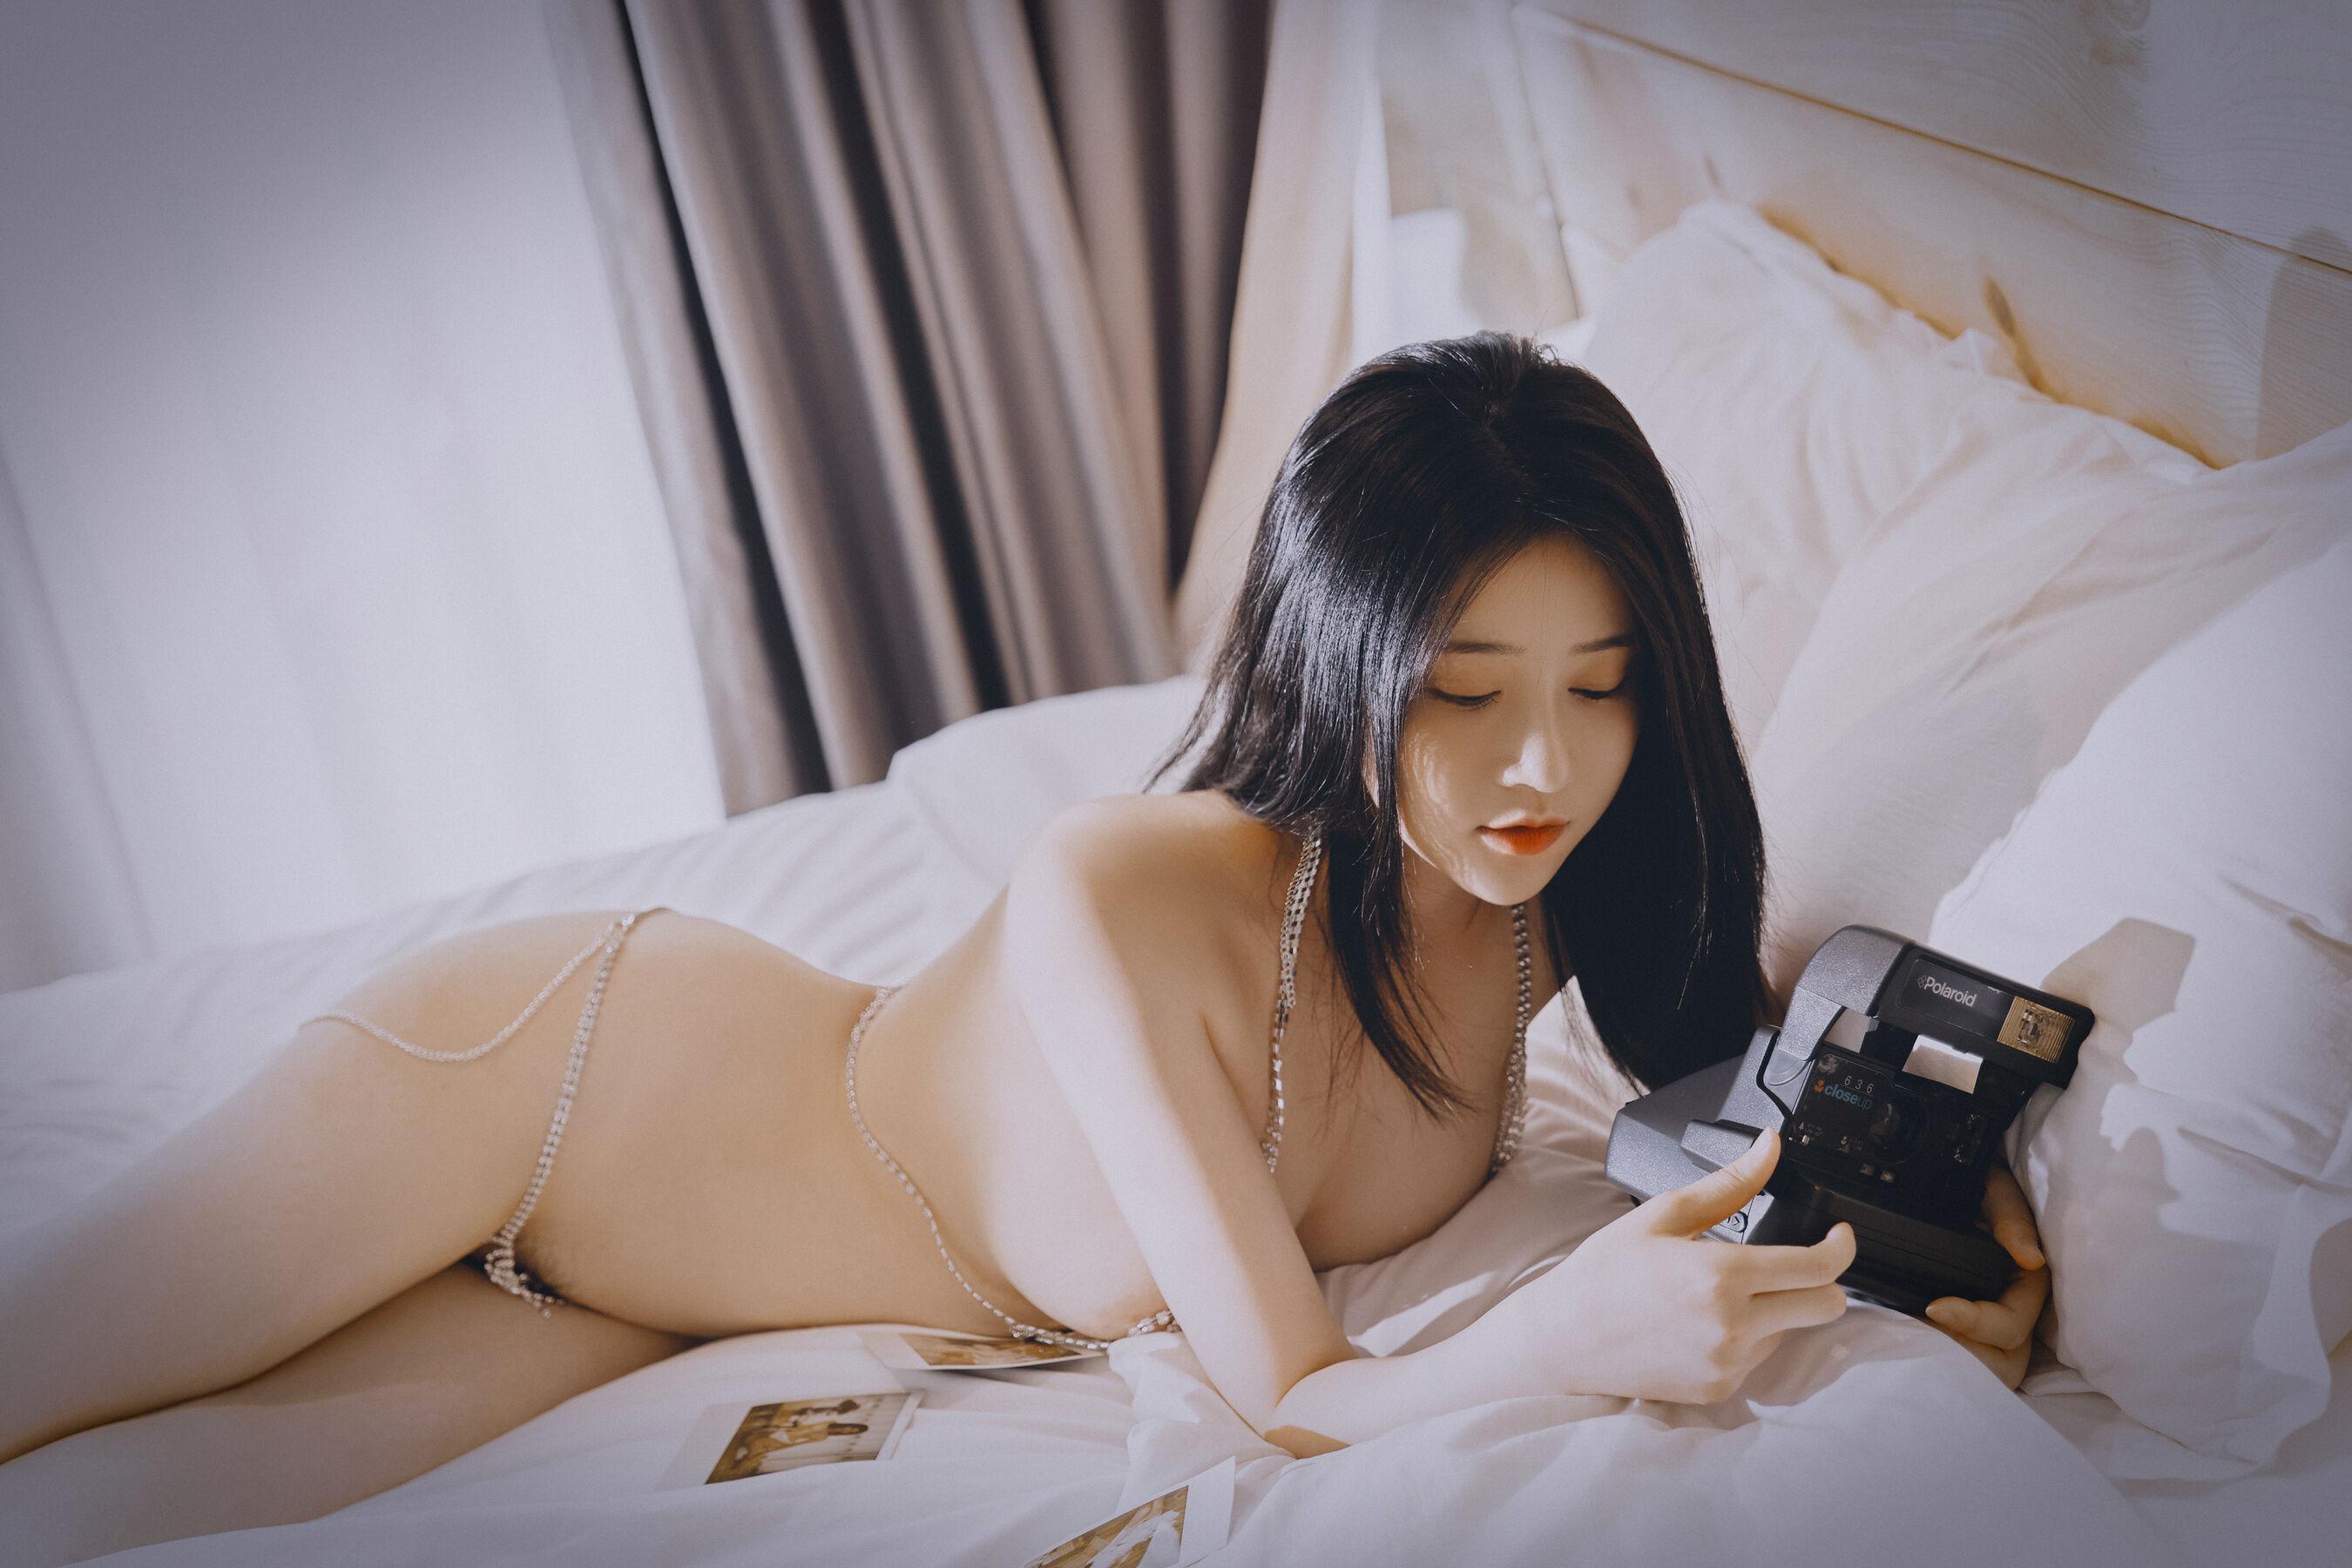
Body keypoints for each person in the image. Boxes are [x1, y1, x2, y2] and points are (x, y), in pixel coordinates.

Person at [0, 333, 2049, 1560]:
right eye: (1461, 692)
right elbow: (1295, 1394)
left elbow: (1728, 1127)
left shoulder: (1546, 907)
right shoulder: (1119, 889)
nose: (1543, 764)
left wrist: (1918, 1276)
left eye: (1601, 688)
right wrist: (1564, 1338)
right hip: (541, 1087)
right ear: (1338, 666)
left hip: (643, 1313)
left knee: (85, 1525)